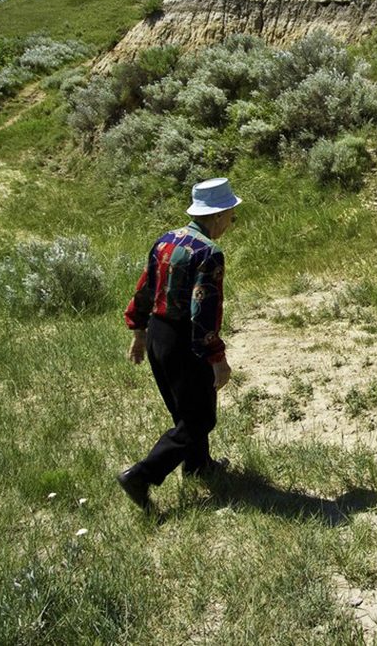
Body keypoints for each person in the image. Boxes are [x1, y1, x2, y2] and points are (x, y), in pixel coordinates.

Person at [116, 177, 241, 511]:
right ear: (217, 215)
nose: (232, 221)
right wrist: (217, 357)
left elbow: (145, 288)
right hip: (185, 340)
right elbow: (203, 309)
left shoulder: (166, 241)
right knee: (199, 420)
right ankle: (141, 475)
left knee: (185, 410)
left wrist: (139, 333)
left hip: (159, 334)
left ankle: (199, 466)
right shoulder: (208, 252)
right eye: (231, 213)